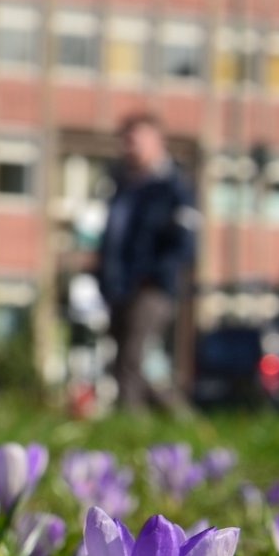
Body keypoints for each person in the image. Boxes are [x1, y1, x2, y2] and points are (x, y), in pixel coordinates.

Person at [97, 111, 197, 412]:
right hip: (119, 285)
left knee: (130, 358)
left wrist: (157, 274)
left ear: (157, 141)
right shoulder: (120, 185)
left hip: (152, 286)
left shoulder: (173, 187)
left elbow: (186, 242)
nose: (128, 146)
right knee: (133, 360)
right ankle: (179, 415)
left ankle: (129, 427)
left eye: (135, 139)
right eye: (124, 140)